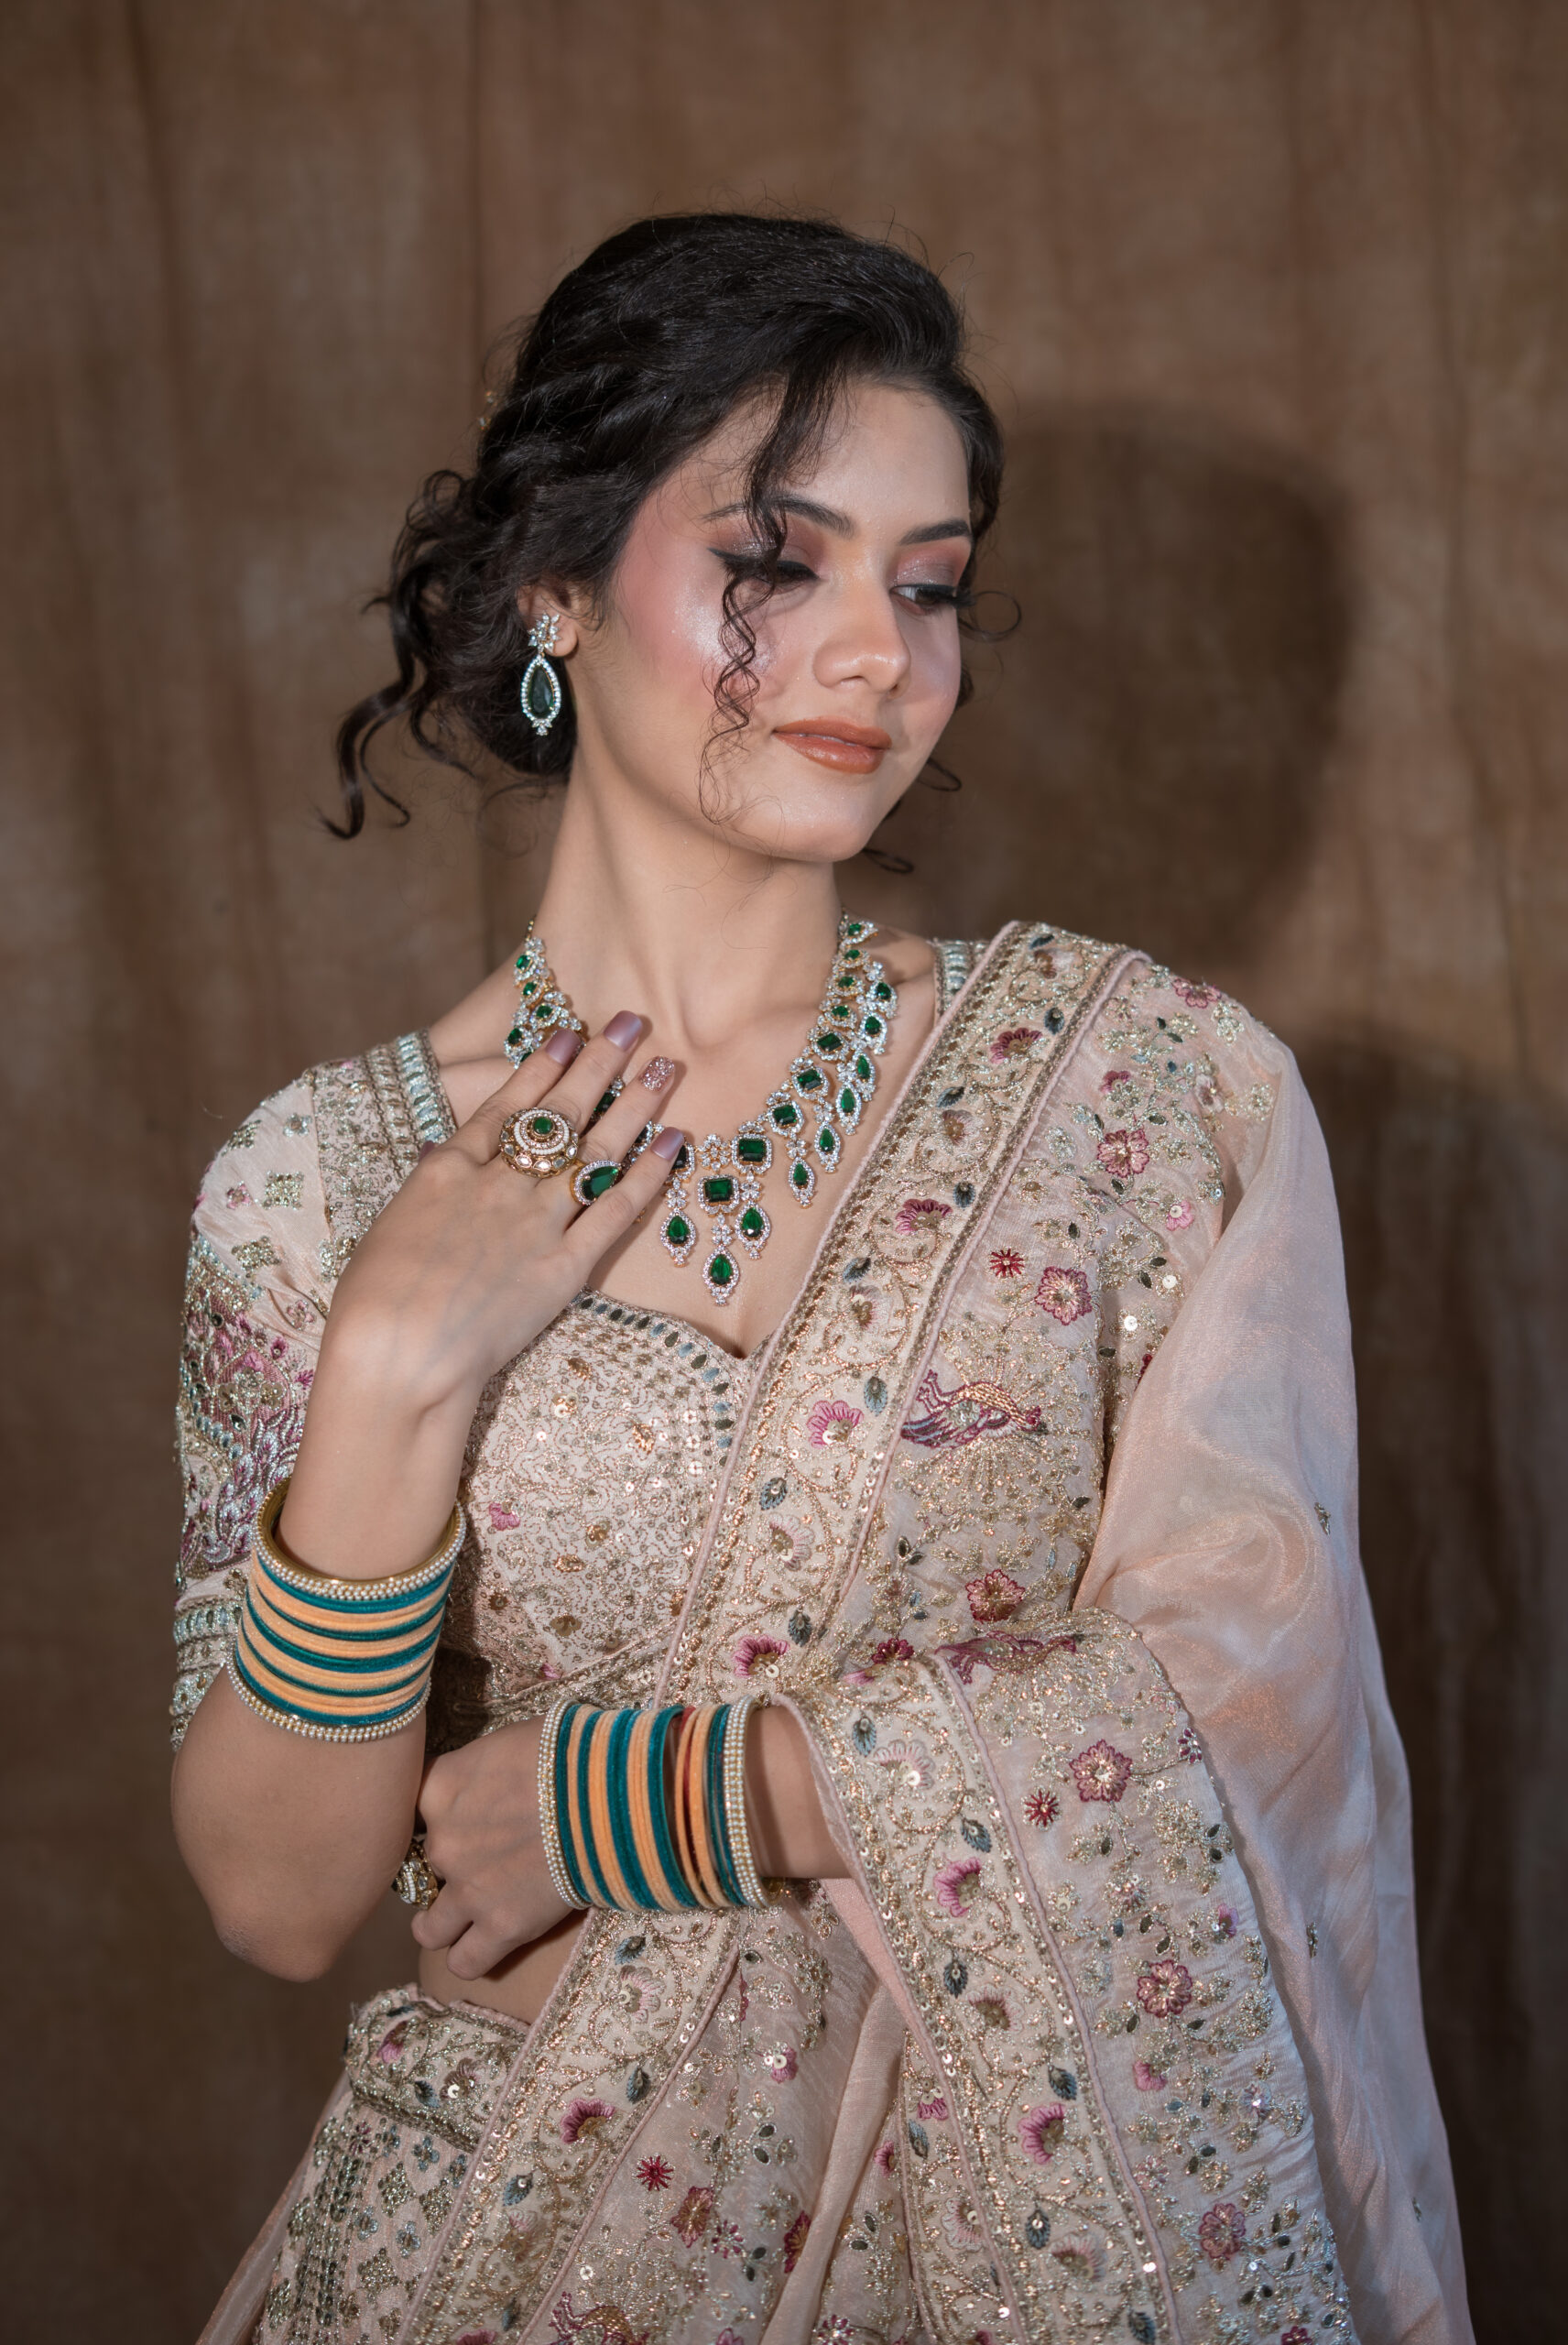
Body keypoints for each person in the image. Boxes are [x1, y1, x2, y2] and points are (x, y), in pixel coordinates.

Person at [171, 213, 1469, 2345]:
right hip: (490, 2252)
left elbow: (1261, 1694)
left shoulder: (1140, 1094)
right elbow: (278, 1893)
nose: (880, 652)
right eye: (778, 562)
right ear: (553, 585)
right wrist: (395, 1367)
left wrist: (674, 1794)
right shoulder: (319, 1184)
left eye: (929, 581)